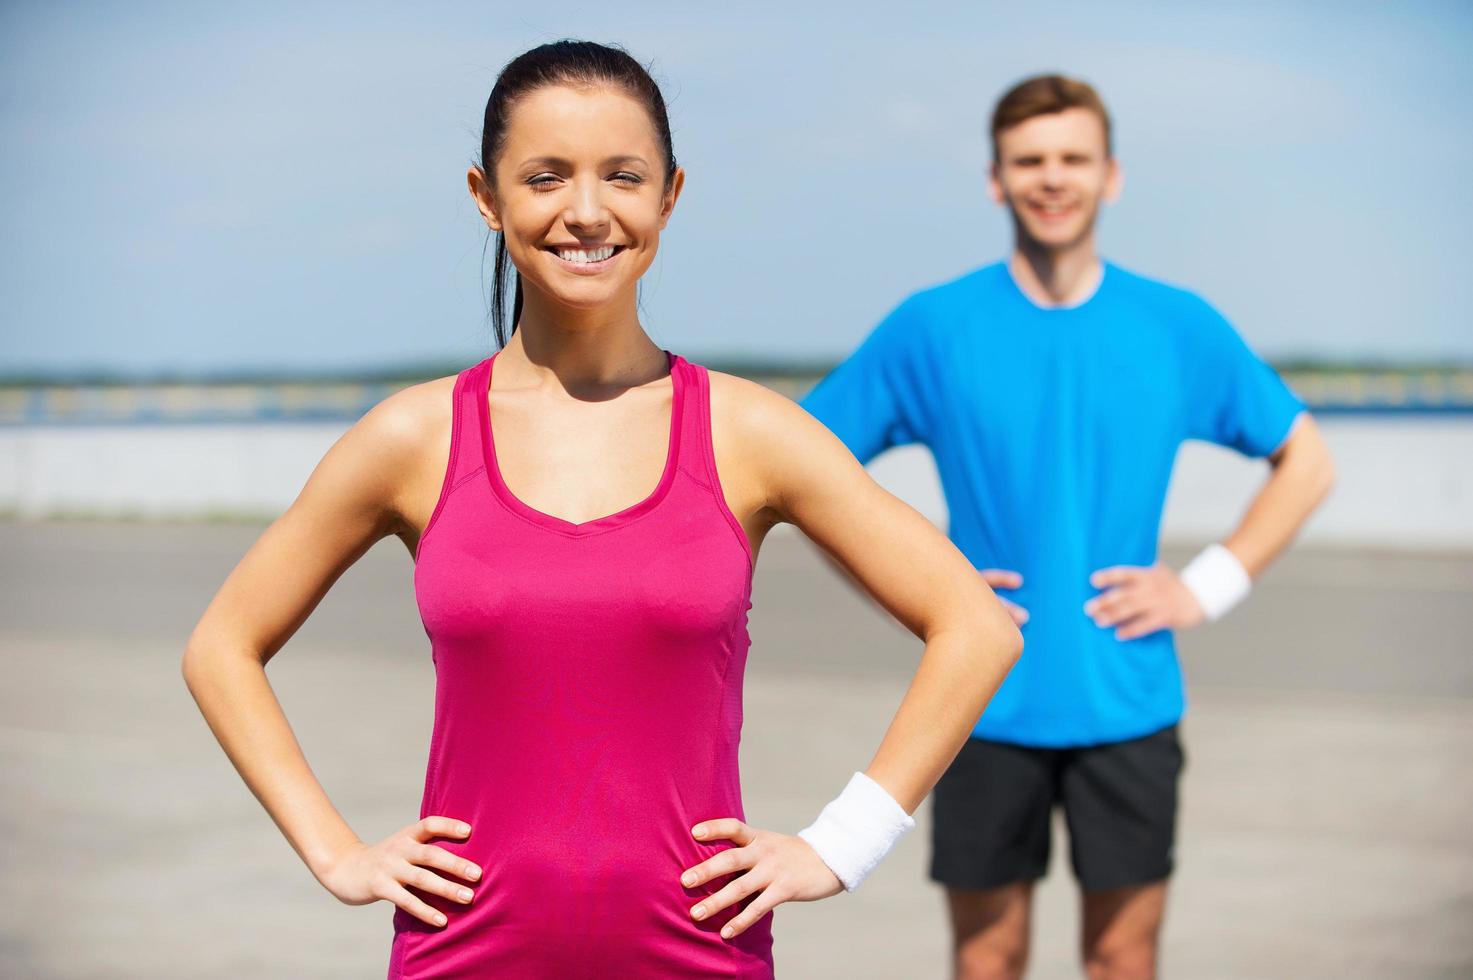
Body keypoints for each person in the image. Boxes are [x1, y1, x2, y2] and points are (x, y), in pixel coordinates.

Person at [180, 40, 1023, 980]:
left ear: (669, 195)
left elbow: (974, 626)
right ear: (485, 197)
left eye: (622, 176)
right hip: (462, 955)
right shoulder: (413, 438)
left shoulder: (748, 431)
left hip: (698, 954)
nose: (586, 212)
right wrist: (337, 853)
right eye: (545, 177)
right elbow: (221, 648)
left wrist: (841, 844)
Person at [800, 74, 1335, 980]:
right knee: (986, 958)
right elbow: (806, 472)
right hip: (978, 701)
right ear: (995, 179)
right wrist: (919, 594)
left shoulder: (1173, 324)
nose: (1053, 178)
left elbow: (1306, 461)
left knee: (1123, 957)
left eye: (1072, 159)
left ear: (1110, 175)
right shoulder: (933, 326)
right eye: (1030, 161)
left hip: (1127, 697)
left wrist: (1205, 585)